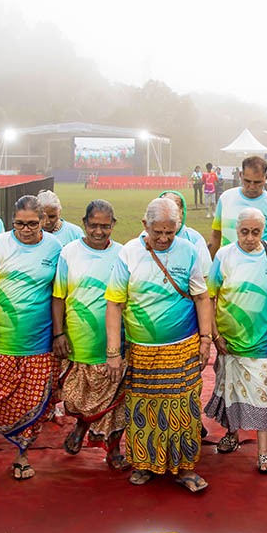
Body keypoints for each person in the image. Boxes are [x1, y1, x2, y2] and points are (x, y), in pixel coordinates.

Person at [106, 198, 215, 493]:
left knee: (184, 409)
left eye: (170, 232)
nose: (165, 239)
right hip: (141, 351)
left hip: (182, 348)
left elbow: (201, 297)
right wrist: (113, 352)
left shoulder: (188, 251)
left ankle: (185, 468)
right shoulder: (129, 253)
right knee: (143, 407)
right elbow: (114, 304)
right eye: (158, 233)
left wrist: (205, 340)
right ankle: (144, 465)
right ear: (145, 225)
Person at [0, 195, 61, 480]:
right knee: (0, 401)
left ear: (43, 220)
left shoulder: (55, 248)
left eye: (32, 223)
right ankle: (19, 442)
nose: (25, 230)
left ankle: (23, 453)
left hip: (41, 342)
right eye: (19, 224)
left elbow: (60, 294)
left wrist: (61, 334)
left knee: (33, 401)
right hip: (2, 340)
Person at [205, 207, 267, 474]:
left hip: (262, 339)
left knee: (261, 393)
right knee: (228, 388)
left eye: (256, 232)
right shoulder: (224, 255)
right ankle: (231, 434)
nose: (250, 238)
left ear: (263, 231)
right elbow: (210, 297)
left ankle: (264, 452)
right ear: (235, 231)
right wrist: (215, 335)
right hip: (228, 341)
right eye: (244, 232)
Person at [52, 200, 128, 470]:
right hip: (78, 343)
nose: (98, 231)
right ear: (84, 223)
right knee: (78, 398)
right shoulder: (69, 253)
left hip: (114, 345)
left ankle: (113, 450)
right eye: (93, 225)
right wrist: (58, 334)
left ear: (113, 225)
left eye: (105, 226)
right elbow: (58, 297)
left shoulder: (123, 254)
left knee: (115, 402)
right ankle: (81, 426)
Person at [209, 155, 267, 263]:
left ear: (265, 177)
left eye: (257, 182)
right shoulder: (225, 198)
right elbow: (216, 235)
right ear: (241, 175)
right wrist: (209, 267)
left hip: (258, 268)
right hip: (227, 266)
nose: (251, 186)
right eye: (247, 181)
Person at [150, 190, 212, 270]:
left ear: (182, 212)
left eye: (174, 212)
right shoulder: (146, 237)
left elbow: (205, 271)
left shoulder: (194, 239)